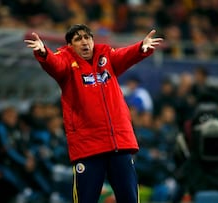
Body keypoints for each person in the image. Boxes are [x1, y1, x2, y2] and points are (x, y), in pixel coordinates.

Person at [24, 24, 163, 203]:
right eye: (78, 39)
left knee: (129, 199)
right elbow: (55, 65)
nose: (84, 42)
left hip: (118, 144)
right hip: (88, 147)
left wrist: (140, 47)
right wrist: (44, 53)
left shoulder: (106, 55)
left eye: (87, 37)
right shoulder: (65, 60)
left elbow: (124, 55)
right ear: (70, 45)